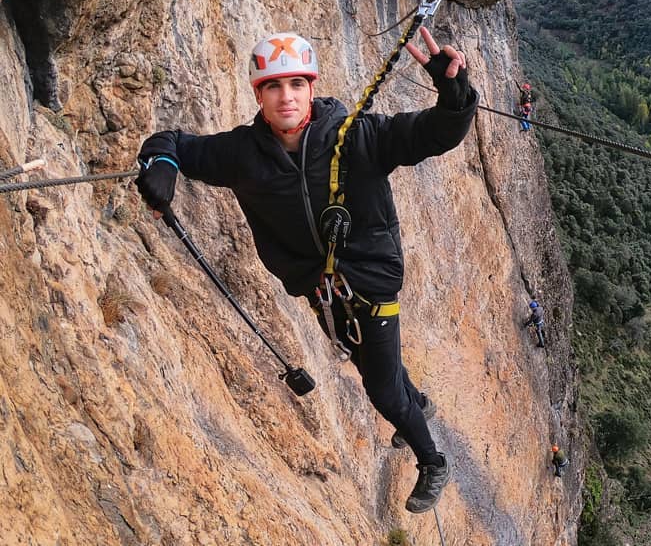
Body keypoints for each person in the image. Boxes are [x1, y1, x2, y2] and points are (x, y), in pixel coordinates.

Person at [134, 28, 477, 514]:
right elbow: (173, 142)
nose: (286, 97)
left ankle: (432, 459)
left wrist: (454, 92)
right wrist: (163, 162)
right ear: (258, 94)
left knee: (380, 386)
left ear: (312, 89)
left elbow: (434, 133)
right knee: (370, 360)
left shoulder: (357, 137)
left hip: (371, 287)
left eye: (296, 84)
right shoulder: (241, 155)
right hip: (323, 293)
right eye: (274, 87)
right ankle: (416, 402)